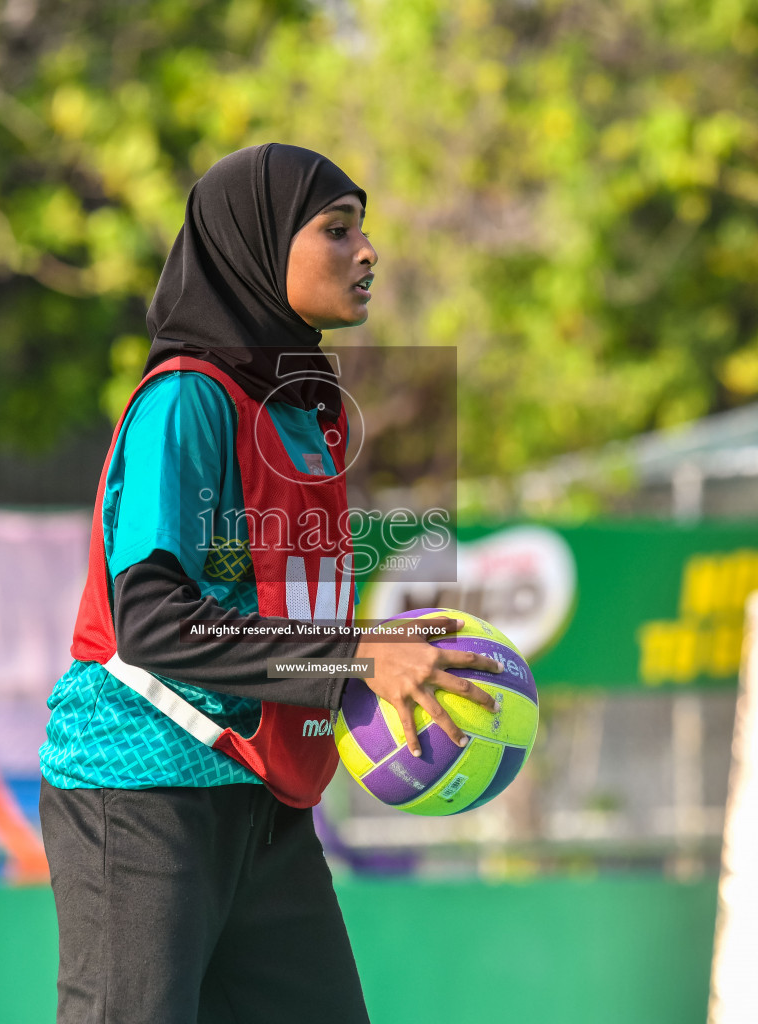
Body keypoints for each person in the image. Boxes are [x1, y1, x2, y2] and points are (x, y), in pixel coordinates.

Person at [39, 142, 504, 1024]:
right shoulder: (188, 398)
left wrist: (381, 654)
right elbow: (152, 621)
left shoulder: (301, 407)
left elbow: (277, 608)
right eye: (337, 230)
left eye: (364, 230)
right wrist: (354, 659)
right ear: (254, 247)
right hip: (142, 789)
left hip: (261, 798)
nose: (367, 251)